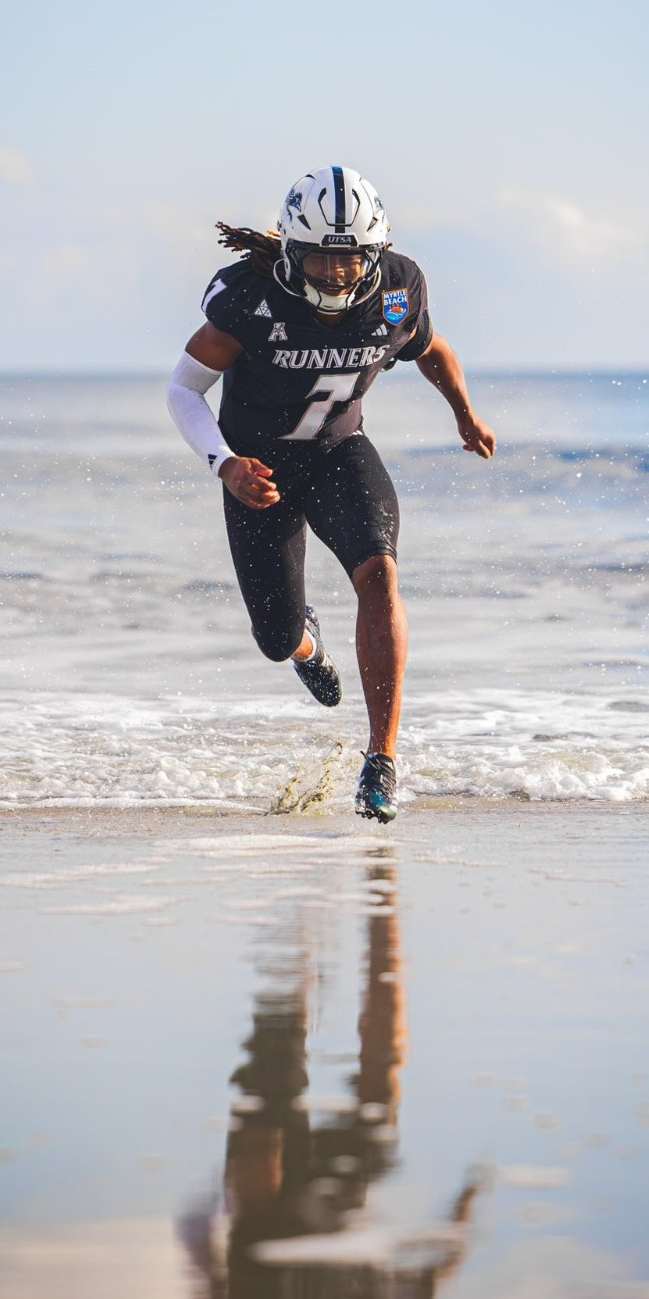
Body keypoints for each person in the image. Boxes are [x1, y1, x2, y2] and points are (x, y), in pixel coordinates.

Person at [167, 166, 495, 822]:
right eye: (320, 258)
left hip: (338, 454)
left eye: (349, 259)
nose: (336, 274)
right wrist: (225, 465)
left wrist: (464, 412)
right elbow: (184, 388)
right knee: (275, 636)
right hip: (258, 473)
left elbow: (429, 348)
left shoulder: (398, 288)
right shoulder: (249, 297)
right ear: (292, 251)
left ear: (376, 252)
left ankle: (382, 760)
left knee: (379, 573)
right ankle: (305, 643)